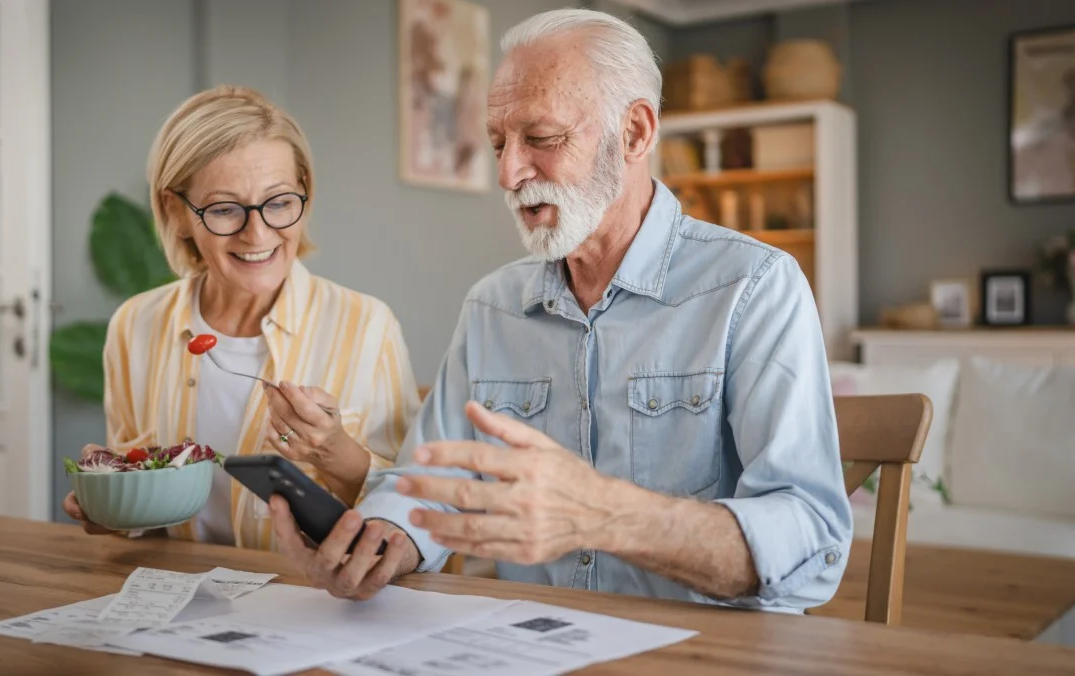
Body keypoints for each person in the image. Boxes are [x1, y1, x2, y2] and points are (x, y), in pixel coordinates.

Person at [268, 8, 853, 611]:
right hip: (531, 645)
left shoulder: (754, 287)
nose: (508, 172)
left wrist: (608, 517)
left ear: (634, 133)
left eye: (541, 139)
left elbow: (811, 542)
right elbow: (430, 491)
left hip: (700, 651)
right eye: (498, 143)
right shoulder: (492, 306)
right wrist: (377, 541)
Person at [62, 86, 422, 552]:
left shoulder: (368, 326)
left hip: (311, 599)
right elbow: (142, 514)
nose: (258, 234)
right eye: (225, 209)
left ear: (304, 193)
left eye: (278, 202)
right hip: (178, 594)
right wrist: (112, 501)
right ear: (177, 211)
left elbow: (412, 511)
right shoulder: (136, 325)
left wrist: (334, 451)